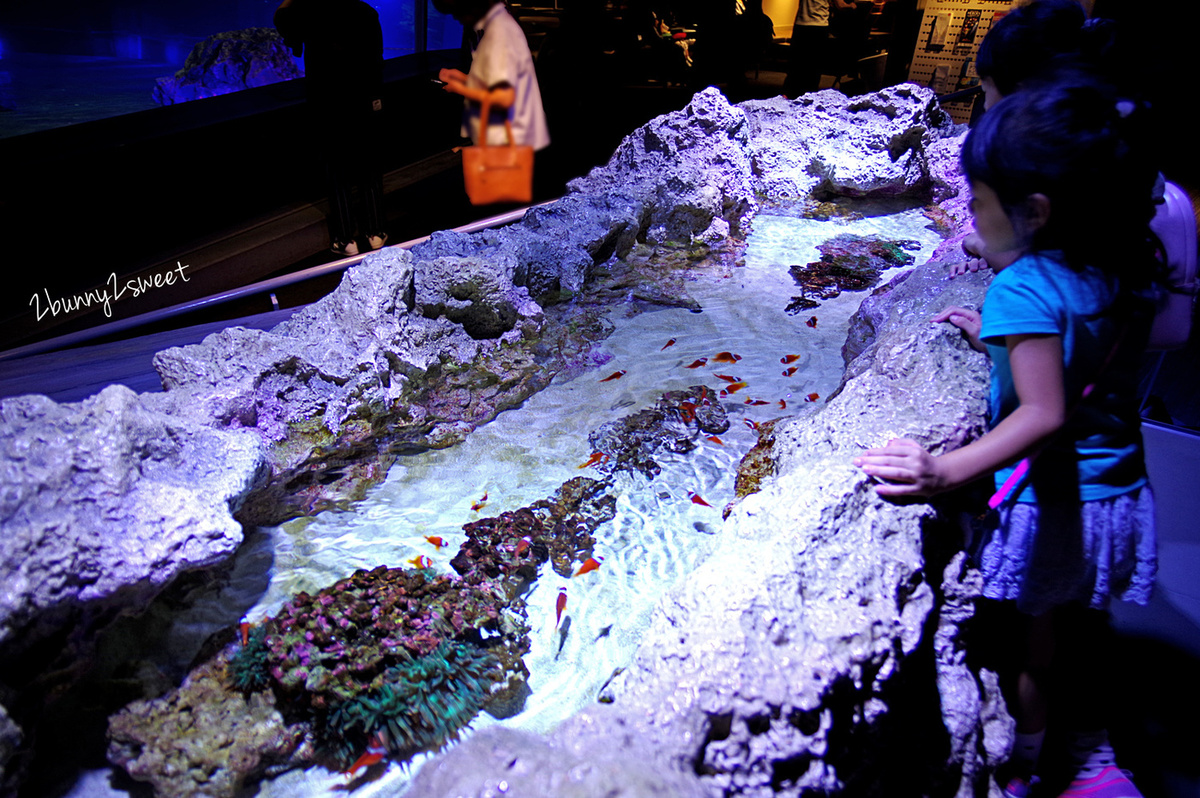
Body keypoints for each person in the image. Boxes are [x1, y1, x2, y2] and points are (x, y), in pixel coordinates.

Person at [855, 81, 1161, 798]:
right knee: (1079, 617)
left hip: (1057, 502)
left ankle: (1032, 762)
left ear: (1034, 212)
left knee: (1034, 646)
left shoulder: (1021, 287)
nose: (969, 217)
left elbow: (1044, 413)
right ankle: (1089, 738)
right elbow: (1077, 359)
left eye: (979, 202)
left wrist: (943, 470)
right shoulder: (1111, 268)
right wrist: (999, 345)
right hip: (1119, 491)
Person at [275, 0, 388, 257]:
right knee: (369, 165)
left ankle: (345, 238)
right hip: (363, 99)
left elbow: (282, 18)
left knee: (336, 169)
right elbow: (377, 59)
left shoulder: (310, 13)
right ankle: (375, 233)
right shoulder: (366, 12)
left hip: (328, 103)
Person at [433, 0, 549, 154]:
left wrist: (461, 87)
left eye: (457, 13)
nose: (456, 19)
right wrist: (462, 78)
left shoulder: (499, 33)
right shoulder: (493, 28)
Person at [783, 0, 856, 98]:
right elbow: (840, 5)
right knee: (814, 67)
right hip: (818, 26)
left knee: (796, 64)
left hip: (800, 24)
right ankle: (809, 97)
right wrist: (852, 6)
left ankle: (789, 94)